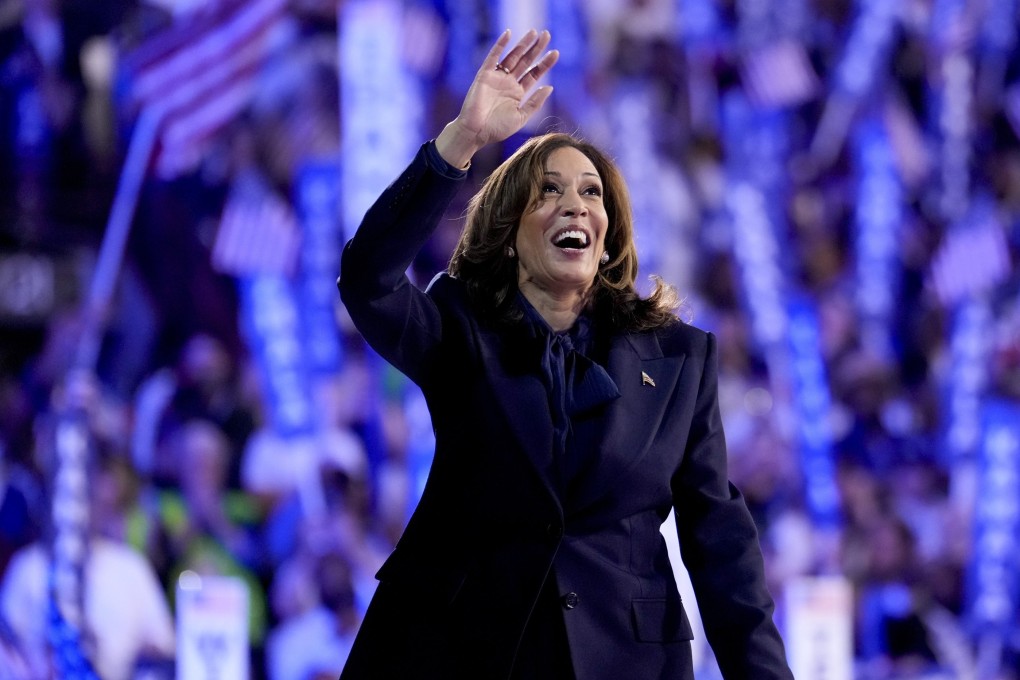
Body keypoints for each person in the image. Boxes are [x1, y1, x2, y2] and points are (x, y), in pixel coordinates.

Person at [336, 29, 793, 680]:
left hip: (626, 663)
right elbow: (367, 280)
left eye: (591, 192)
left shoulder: (680, 359)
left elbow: (721, 544)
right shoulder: (459, 328)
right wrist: (460, 141)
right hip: (465, 654)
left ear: (607, 237)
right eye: (547, 191)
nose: (573, 205)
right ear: (509, 231)